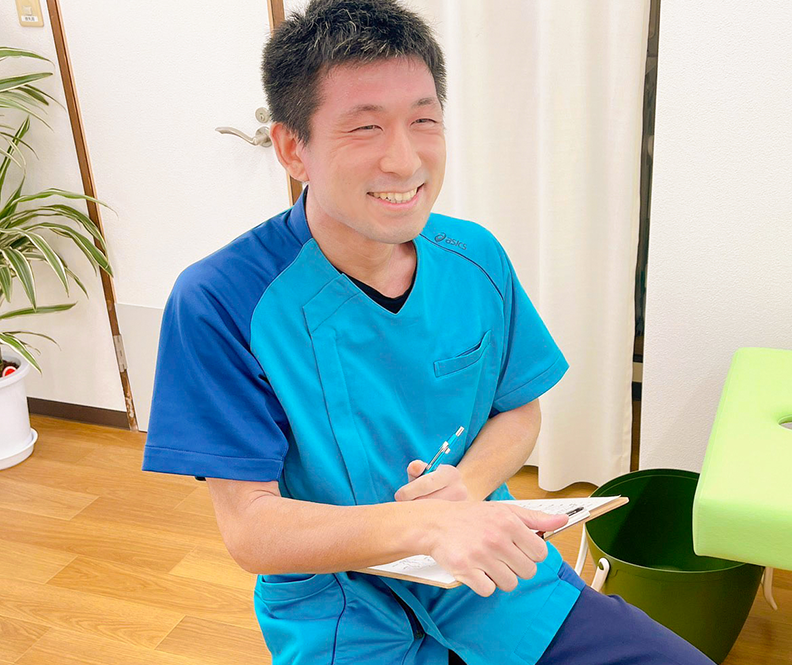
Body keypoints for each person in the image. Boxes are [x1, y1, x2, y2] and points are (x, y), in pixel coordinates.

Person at [142, 1, 713, 663]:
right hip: (337, 607)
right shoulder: (220, 300)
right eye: (365, 127)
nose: (404, 159)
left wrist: (465, 490)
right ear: (294, 148)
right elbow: (251, 528)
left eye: (424, 120)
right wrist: (427, 523)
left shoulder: (475, 259)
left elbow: (518, 411)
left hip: (492, 580)